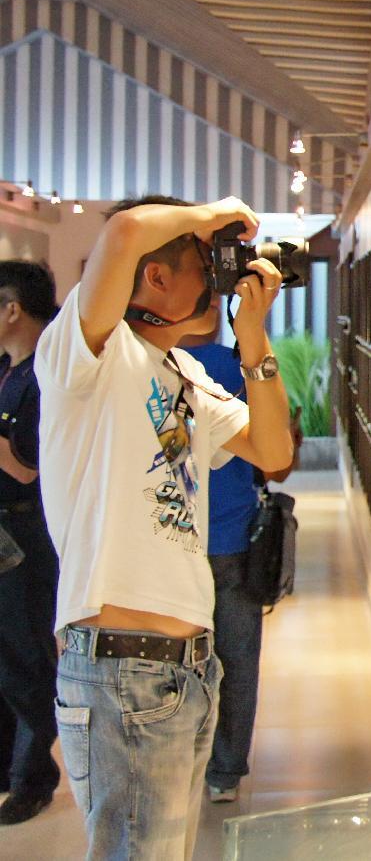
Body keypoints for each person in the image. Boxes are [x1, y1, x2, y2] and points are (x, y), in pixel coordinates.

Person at [34, 196, 293, 860]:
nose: (215, 280)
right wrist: (208, 214)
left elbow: (273, 451)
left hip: (184, 672)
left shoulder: (185, 372)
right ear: (153, 278)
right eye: (204, 265)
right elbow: (122, 231)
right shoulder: (87, 355)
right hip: (123, 669)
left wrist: (255, 340)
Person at [183, 331, 301, 803]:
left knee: (171, 664)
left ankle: (182, 760)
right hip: (232, 534)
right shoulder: (240, 366)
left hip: (172, 542)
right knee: (237, 657)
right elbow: (277, 466)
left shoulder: (145, 362)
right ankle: (225, 771)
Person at [0, 261, 60, 826]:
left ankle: (32, 777)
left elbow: (33, 471)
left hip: (27, 532)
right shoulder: (5, 368)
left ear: (13, 308)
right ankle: (9, 769)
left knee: (26, 659)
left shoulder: (47, 373)